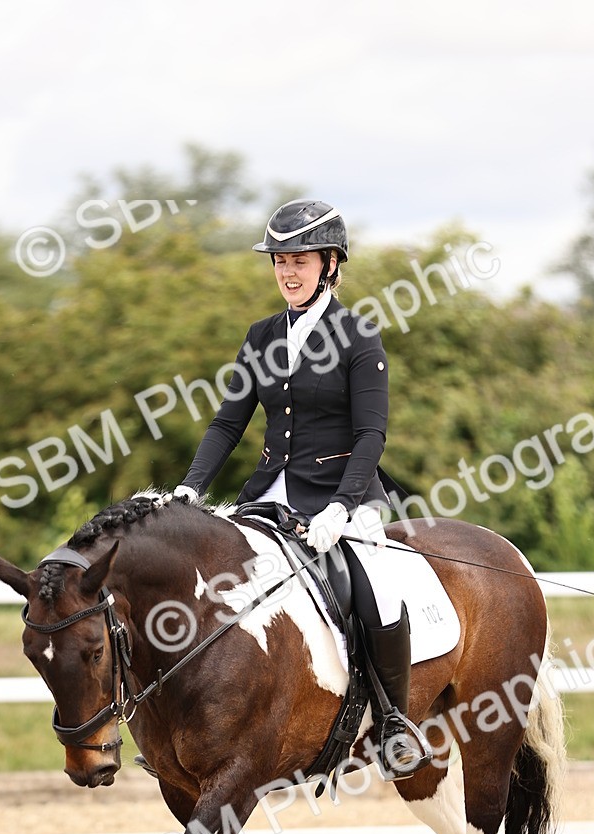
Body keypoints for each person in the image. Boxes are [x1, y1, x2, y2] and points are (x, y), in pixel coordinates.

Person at [174, 199, 431, 777]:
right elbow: (226, 423)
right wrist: (191, 488)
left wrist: (342, 505)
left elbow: (372, 434)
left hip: (344, 497)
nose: (288, 272)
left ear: (330, 263)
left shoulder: (358, 337)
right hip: (269, 496)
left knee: (375, 588)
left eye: (300, 260)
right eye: (279, 261)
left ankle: (393, 722)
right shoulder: (261, 335)